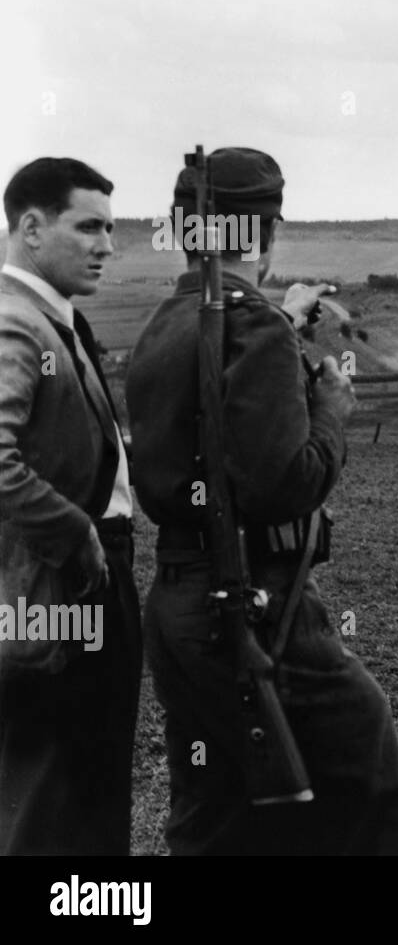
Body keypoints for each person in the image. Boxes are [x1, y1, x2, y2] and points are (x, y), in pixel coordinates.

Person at [126, 146, 398, 855]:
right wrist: (331, 411)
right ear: (268, 233)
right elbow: (282, 484)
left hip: (178, 609)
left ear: (185, 228)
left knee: (220, 825)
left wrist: (273, 318)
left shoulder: (162, 326)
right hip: (259, 608)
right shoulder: (257, 328)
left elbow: (214, 414)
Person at [0, 157, 141, 855]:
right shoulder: (18, 323)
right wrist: (76, 528)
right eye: (88, 226)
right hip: (58, 583)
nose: (107, 246)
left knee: (85, 779)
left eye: (110, 229)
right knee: (57, 795)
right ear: (30, 226)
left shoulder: (54, 318)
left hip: (75, 579)